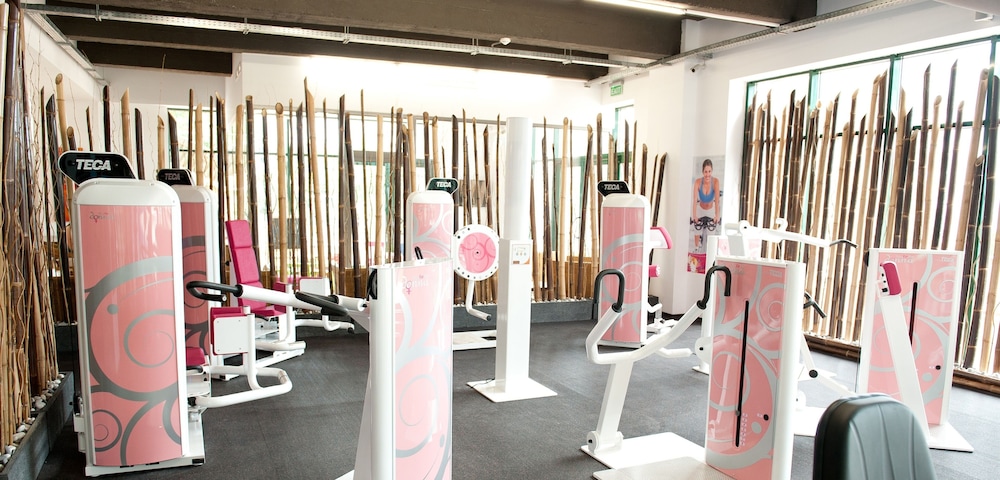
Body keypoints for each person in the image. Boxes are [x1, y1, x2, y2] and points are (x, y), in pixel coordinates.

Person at [691, 159, 720, 250]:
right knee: (697, 232)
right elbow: (695, 200)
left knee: (711, 237)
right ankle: (696, 249)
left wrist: (717, 216)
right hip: (700, 209)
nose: (707, 174)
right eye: (705, 172)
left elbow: (717, 200)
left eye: (709, 171)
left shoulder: (715, 182)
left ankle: (710, 253)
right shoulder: (698, 182)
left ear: (712, 171)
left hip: (711, 210)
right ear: (702, 172)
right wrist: (694, 216)